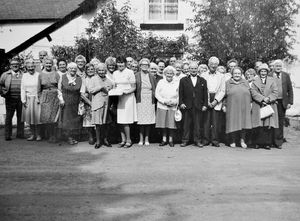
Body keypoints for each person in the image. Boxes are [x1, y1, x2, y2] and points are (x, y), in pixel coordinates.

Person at [179, 61, 208, 147]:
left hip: (198, 106)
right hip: (187, 105)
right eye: (192, 68)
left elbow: (205, 94)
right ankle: (185, 140)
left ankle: (197, 140)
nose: (193, 70)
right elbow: (180, 93)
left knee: (198, 125)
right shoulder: (183, 80)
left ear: (197, 69)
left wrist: (205, 105)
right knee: (186, 125)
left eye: (195, 68)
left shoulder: (203, 80)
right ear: (189, 69)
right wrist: (181, 103)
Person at [251, 63, 279, 149]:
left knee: (268, 125)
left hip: (269, 104)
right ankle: (257, 143)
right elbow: (253, 92)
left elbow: (275, 92)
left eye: (265, 71)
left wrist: (268, 99)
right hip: (258, 104)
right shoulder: (254, 81)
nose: (263, 73)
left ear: (267, 72)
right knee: (258, 125)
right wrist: (262, 99)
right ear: (259, 72)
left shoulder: (272, 80)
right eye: (261, 71)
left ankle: (267, 143)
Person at [223, 67, 252, 148]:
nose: (237, 75)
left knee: (243, 123)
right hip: (232, 106)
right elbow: (224, 95)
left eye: (239, 73)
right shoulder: (227, 83)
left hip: (244, 106)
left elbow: (250, 94)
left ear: (241, 74)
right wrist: (224, 105)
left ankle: (242, 140)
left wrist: (251, 103)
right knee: (232, 123)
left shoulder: (245, 82)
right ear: (232, 74)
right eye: (235, 73)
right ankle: (232, 140)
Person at [113, 56, 137, 148]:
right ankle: (123, 140)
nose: (120, 64)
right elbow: (115, 86)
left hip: (128, 98)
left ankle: (128, 140)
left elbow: (133, 87)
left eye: (122, 62)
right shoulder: (115, 73)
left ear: (125, 63)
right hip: (118, 98)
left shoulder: (130, 72)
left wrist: (126, 92)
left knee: (126, 120)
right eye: (118, 63)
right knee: (120, 120)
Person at [201, 56, 225, 147]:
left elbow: (223, 90)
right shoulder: (203, 75)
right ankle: (206, 140)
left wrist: (216, 101)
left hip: (217, 98)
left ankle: (215, 140)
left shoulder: (221, 76)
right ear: (208, 64)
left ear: (218, 65)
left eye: (215, 64)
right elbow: (202, 89)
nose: (213, 66)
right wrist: (206, 101)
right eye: (212, 64)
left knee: (216, 122)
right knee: (206, 121)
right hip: (206, 97)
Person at [88, 63, 113, 148]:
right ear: (97, 71)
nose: (101, 72)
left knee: (106, 123)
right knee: (98, 124)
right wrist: (100, 87)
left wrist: (109, 89)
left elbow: (112, 90)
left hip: (106, 103)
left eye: (103, 70)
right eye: (100, 70)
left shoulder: (109, 80)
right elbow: (90, 90)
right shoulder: (93, 79)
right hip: (97, 103)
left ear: (105, 71)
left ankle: (105, 140)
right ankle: (98, 141)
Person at [0, 57, 24, 140]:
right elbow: (1, 85)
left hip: (21, 99)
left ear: (19, 65)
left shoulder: (23, 74)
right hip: (10, 99)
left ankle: (20, 134)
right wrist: (3, 94)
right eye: (13, 64)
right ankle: (8, 135)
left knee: (21, 117)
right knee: (9, 117)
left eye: (17, 64)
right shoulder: (5, 74)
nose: (15, 66)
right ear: (10, 66)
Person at [38, 56, 61, 143]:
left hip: (55, 96)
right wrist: (40, 99)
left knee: (54, 117)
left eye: (50, 63)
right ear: (44, 64)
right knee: (47, 117)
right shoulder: (40, 75)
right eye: (46, 63)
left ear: (52, 64)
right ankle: (49, 135)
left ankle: (54, 136)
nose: (48, 65)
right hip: (45, 96)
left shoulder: (56, 74)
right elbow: (38, 89)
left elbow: (59, 87)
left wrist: (60, 97)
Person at [59, 62, 82, 145]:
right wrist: (61, 99)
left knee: (74, 120)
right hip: (66, 102)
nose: (73, 70)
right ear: (67, 69)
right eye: (71, 68)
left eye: (74, 69)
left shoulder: (79, 78)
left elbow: (81, 91)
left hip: (76, 101)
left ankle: (72, 136)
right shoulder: (63, 77)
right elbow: (59, 90)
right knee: (66, 120)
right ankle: (68, 137)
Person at [155, 66, 179, 147]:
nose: (169, 75)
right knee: (163, 124)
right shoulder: (161, 82)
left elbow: (179, 95)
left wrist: (174, 102)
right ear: (165, 74)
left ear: (173, 74)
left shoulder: (177, 82)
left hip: (173, 106)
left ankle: (171, 140)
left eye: (171, 73)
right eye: (168, 73)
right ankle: (164, 139)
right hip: (162, 105)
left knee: (171, 124)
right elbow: (156, 94)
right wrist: (164, 101)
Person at [272, 59, 293, 148]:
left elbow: (290, 89)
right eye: (276, 66)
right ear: (273, 67)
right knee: (272, 121)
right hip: (272, 102)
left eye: (280, 66)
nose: (278, 68)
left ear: (282, 67)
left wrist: (290, 102)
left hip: (282, 102)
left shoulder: (285, 75)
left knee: (280, 122)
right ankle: (270, 141)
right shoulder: (270, 75)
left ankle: (278, 142)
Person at [135, 58, 156, 146]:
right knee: (141, 120)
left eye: (146, 65)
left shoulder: (151, 76)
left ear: (148, 66)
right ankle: (141, 139)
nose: (144, 66)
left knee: (148, 120)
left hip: (149, 98)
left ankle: (147, 138)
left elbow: (154, 87)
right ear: (140, 66)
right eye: (143, 65)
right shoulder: (136, 75)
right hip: (140, 98)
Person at [21, 59, 41, 141]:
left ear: (35, 67)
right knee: (30, 118)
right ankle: (32, 134)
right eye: (29, 67)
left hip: (37, 99)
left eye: (32, 67)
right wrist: (23, 100)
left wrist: (39, 98)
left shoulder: (39, 75)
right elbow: (22, 88)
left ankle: (39, 135)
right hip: (28, 99)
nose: (31, 68)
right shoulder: (24, 75)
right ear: (26, 67)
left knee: (38, 118)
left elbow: (41, 88)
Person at [80, 63, 96, 145]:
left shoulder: (97, 78)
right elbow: (82, 94)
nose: (90, 71)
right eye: (88, 69)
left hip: (97, 100)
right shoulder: (84, 80)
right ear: (86, 71)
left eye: (92, 69)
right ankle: (91, 136)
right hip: (88, 101)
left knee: (97, 119)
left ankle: (98, 136)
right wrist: (90, 103)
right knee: (89, 119)